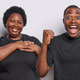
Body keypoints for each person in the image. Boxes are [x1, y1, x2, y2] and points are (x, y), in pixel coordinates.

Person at [36, 5, 80, 80]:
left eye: (77, 18)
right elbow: (41, 73)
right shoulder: (55, 42)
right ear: (64, 21)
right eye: (68, 17)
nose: (73, 21)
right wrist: (44, 44)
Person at [0, 6, 41, 80]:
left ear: (23, 25)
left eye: (19, 22)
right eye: (12, 21)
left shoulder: (33, 41)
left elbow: (46, 65)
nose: (15, 25)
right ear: (5, 22)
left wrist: (38, 49)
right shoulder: (1, 42)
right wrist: (15, 45)